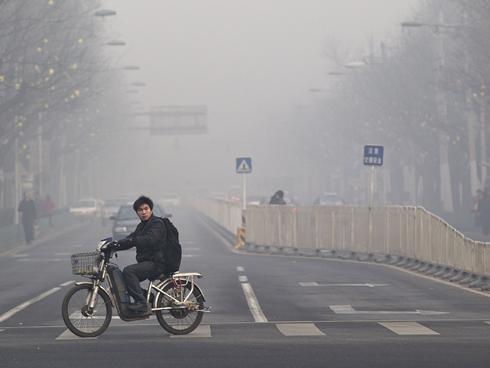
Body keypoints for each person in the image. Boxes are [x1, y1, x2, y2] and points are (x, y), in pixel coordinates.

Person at [108, 195, 167, 314]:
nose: (143, 212)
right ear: (137, 212)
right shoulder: (142, 226)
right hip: (148, 262)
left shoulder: (157, 223)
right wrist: (115, 245)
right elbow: (131, 239)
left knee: (129, 271)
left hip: (158, 262)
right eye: (140, 210)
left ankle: (141, 303)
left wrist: (134, 240)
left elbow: (150, 239)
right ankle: (148, 298)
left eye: (146, 209)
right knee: (122, 279)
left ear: (151, 209)